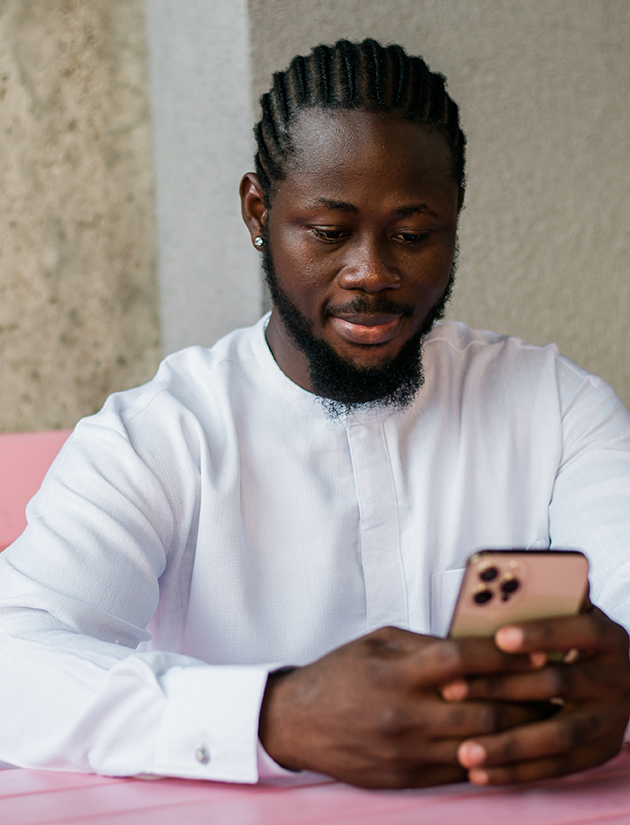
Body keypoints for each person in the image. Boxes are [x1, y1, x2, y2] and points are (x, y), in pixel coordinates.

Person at [1, 38, 629, 790]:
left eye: (413, 234)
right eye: (329, 233)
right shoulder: (157, 437)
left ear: (455, 219)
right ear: (258, 212)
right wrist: (275, 714)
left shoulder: (557, 407)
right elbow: (16, 658)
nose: (372, 271)